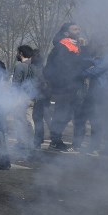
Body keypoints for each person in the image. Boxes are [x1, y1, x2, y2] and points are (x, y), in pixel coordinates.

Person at [43, 23, 92, 152]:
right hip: (65, 87)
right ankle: (55, 140)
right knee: (62, 114)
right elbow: (65, 67)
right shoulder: (62, 47)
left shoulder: (76, 46)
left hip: (75, 86)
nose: (78, 31)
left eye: (78, 28)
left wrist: (84, 49)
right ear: (66, 33)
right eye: (75, 29)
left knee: (74, 115)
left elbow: (81, 60)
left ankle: (70, 142)